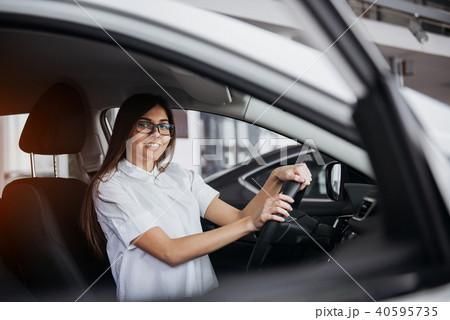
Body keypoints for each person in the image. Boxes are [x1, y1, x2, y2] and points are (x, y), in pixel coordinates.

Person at [81, 93, 312, 301]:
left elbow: (236, 218)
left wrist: (275, 178)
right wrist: (251, 223)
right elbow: (169, 252)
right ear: (126, 130)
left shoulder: (179, 175)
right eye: (144, 125)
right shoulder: (110, 186)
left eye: (164, 127)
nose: (156, 134)